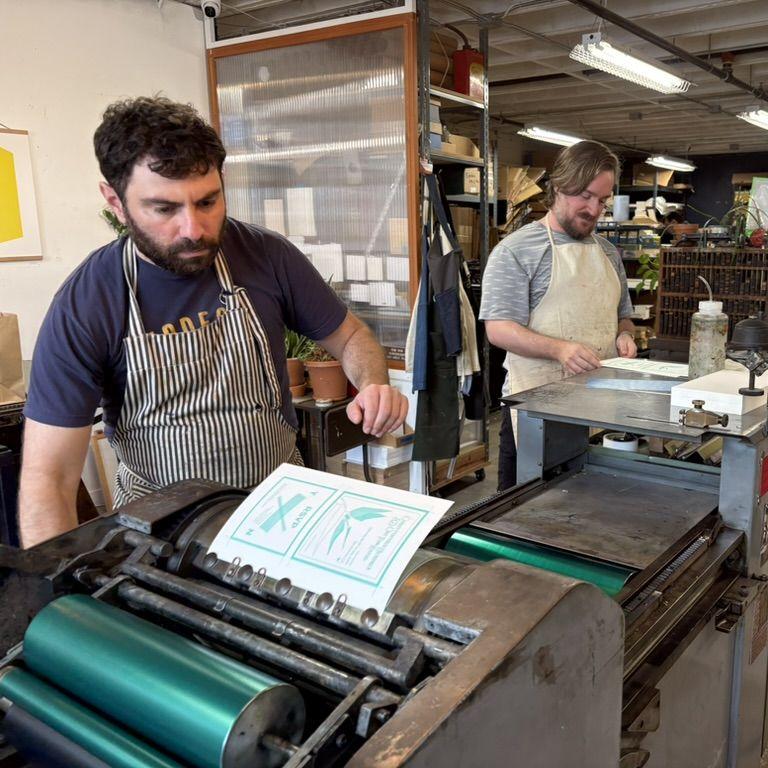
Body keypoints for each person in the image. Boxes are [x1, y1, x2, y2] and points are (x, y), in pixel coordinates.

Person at [19, 96, 408, 548]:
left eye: (208, 201)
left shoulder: (266, 256)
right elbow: (49, 477)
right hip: (165, 534)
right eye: (164, 209)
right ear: (115, 201)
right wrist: (61, 595)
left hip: (281, 510)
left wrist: (374, 382)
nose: (194, 229)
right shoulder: (88, 302)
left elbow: (352, 336)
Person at [480, 140, 636, 491]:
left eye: (602, 200)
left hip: (599, 406)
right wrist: (559, 349)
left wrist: (625, 334)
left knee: (591, 502)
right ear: (559, 186)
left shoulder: (609, 253)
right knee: (525, 511)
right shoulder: (516, 251)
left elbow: (623, 315)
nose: (593, 209)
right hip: (538, 409)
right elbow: (498, 329)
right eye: (584, 195)